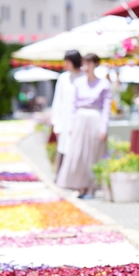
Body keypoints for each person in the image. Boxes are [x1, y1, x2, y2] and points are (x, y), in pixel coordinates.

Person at [56, 53, 111, 199]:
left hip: (96, 120)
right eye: (84, 63)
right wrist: (71, 126)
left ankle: (92, 187)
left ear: (95, 64)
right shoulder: (78, 83)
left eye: (88, 63)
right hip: (80, 121)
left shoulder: (104, 84)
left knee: (94, 154)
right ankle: (79, 186)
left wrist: (103, 127)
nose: (85, 67)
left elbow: (106, 108)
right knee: (78, 155)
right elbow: (73, 106)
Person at [50, 50, 83, 178]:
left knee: (79, 149)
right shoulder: (63, 78)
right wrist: (56, 123)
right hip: (65, 119)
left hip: (80, 119)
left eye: (68, 61)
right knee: (65, 148)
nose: (66, 64)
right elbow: (58, 101)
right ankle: (63, 178)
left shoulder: (84, 76)